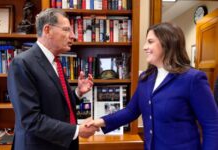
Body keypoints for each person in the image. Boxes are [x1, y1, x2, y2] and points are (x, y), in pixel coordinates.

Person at [87, 22, 218, 150]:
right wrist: (100, 121)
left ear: (167, 43)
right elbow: (131, 111)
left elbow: (212, 125)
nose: (144, 47)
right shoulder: (145, 78)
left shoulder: (193, 78)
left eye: (150, 42)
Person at [8, 8, 98, 150]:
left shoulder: (55, 62)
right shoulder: (22, 63)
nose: (73, 36)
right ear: (47, 30)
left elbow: (55, 105)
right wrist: (76, 131)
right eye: (67, 30)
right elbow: (31, 119)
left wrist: (78, 93)